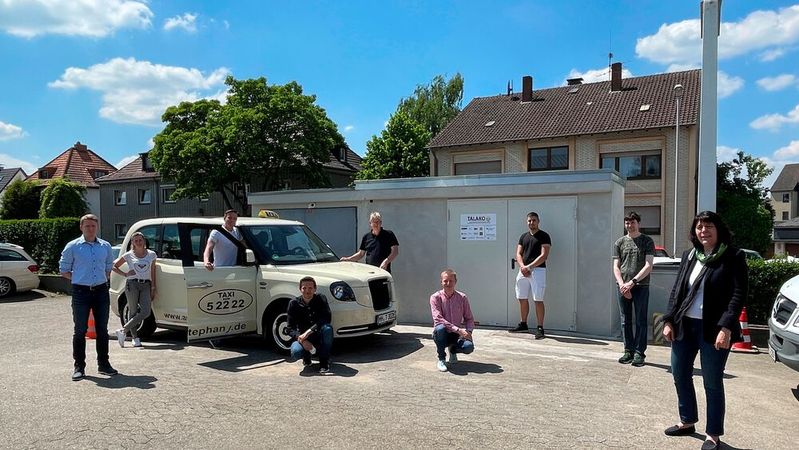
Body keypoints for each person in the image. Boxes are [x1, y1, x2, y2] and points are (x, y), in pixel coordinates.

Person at [661, 211, 747, 450]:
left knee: (711, 380)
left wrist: (726, 326)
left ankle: (713, 434)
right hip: (685, 325)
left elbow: (738, 295)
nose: (703, 231)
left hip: (714, 329)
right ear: (694, 232)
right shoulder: (691, 255)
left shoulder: (733, 256)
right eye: (699, 227)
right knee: (679, 374)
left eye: (709, 226)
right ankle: (687, 421)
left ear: (718, 230)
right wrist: (669, 320)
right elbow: (677, 290)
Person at [59, 214, 117, 380]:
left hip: (100, 291)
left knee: (102, 330)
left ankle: (104, 364)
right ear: (81, 227)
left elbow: (108, 268)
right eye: (87, 226)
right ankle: (79, 367)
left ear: (97, 227)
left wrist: (98, 280)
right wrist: (79, 278)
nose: (90, 229)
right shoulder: (72, 246)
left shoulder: (105, 246)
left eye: (93, 226)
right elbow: (63, 270)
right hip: (80, 293)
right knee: (80, 331)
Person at [612, 211, 655, 367]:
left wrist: (633, 282)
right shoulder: (619, 242)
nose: (629, 225)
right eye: (627, 223)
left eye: (632, 222)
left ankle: (639, 353)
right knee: (625, 320)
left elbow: (648, 265)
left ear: (638, 223)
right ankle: (628, 350)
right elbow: (616, 266)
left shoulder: (647, 241)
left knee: (641, 320)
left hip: (641, 286)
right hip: (622, 287)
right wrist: (622, 284)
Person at [112, 232, 158, 348]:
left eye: (140, 240)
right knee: (132, 311)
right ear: (132, 243)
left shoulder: (152, 254)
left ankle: (123, 330)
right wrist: (125, 274)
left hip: (146, 284)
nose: (138, 242)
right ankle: (135, 338)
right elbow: (114, 266)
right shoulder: (128, 255)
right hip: (132, 284)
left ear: (144, 241)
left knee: (146, 311)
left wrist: (153, 287)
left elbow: (153, 271)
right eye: (135, 240)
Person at [510, 211, 551, 339]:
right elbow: (518, 253)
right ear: (526, 222)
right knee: (521, 298)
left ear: (538, 221)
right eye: (529, 220)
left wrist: (530, 267)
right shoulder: (523, 237)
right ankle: (523, 324)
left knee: (538, 299)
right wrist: (522, 266)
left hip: (538, 271)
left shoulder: (544, 236)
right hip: (523, 271)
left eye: (534, 220)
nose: (531, 223)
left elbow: (544, 255)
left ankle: (540, 328)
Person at [430, 269, 475, 372]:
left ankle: (453, 350)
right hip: (442, 334)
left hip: (455, 335)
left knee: (469, 347)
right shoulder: (435, 297)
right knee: (440, 328)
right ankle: (441, 359)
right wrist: (458, 330)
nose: (448, 283)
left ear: (456, 282)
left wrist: (469, 332)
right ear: (441, 282)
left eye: (451, 280)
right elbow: (438, 319)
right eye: (445, 281)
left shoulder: (462, 297)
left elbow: (469, 318)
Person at [286, 276, 334, 374]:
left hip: (318, 334)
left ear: (315, 289)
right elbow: (289, 329)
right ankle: (306, 356)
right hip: (302, 337)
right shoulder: (293, 303)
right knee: (295, 352)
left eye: (310, 288)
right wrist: (302, 340)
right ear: (300, 289)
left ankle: (324, 362)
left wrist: (309, 331)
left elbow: (326, 318)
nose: (307, 291)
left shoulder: (321, 298)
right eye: (304, 288)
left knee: (328, 329)